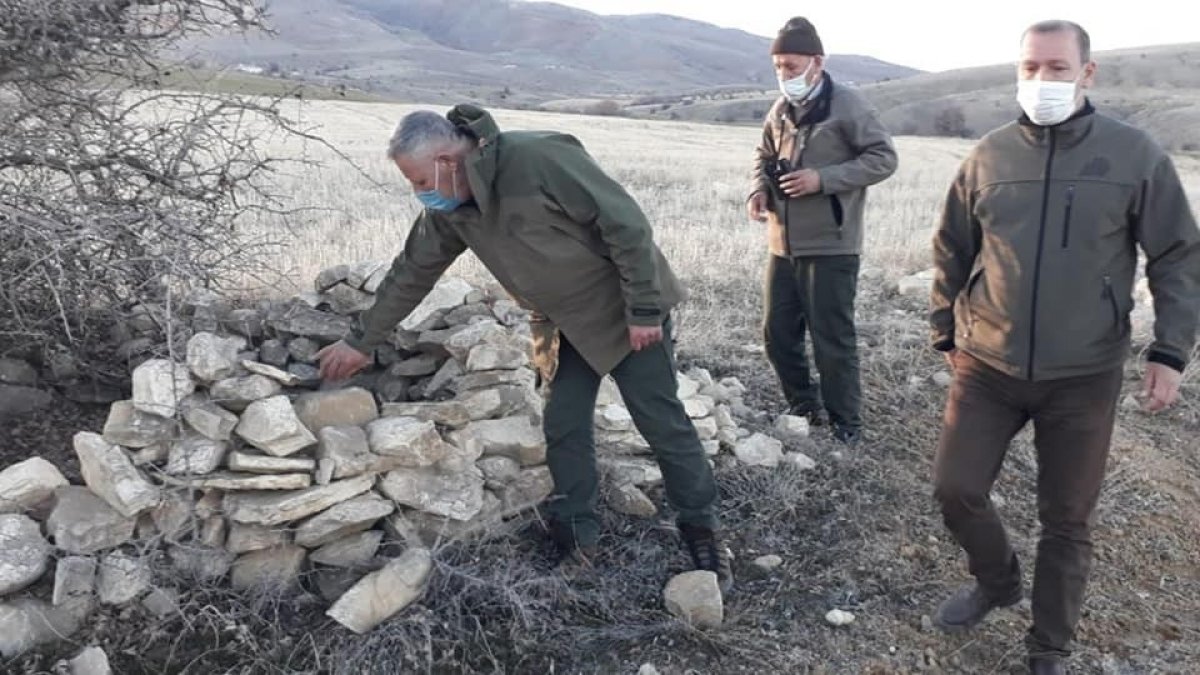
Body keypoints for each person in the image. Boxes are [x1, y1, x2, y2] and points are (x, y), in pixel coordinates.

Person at [316, 104, 730, 588]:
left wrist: (642, 309)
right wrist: (361, 341)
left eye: (418, 179)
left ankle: (702, 533)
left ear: (448, 161)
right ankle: (578, 540)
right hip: (559, 324)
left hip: (621, 311)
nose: (418, 192)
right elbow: (412, 271)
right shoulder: (451, 207)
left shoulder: (538, 158)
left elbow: (627, 225)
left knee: (661, 422)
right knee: (563, 425)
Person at [928, 20, 1199, 674]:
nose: (1041, 80)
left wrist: (1169, 351)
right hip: (988, 364)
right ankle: (998, 581)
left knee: (1067, 519)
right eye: (1030, 67)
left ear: (1087, 72)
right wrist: (945, 328)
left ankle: (1047, 649)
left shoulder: (1134, 156)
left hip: (1084, 374)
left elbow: (1176, 255)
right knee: (955, 489)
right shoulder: (988, 155)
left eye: (1055, 67)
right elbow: (951, 246)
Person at [748, 16, 898, 444]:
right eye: (778, 67)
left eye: (791, 67)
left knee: (832, 339)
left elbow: (884, 159)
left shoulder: (849, 106)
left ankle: (845, 425)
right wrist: (757, 190)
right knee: (777, 336)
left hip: (832, 245)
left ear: (817, 62)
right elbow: (762, 156)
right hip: (782, 245)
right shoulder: (779, 109)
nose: (784, 75)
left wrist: (823, 179)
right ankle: (804, 408)